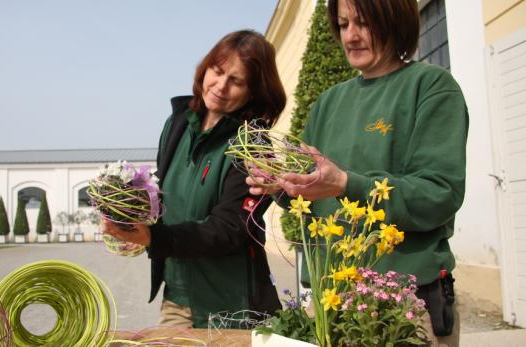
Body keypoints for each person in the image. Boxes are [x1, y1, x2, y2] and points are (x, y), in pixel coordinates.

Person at [247, 1, 468, 346]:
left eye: (363, 23)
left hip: (405, 309)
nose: (350, 36)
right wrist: (280, 185)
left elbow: (439, 194)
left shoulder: (430, 87)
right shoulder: (328, 103)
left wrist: (348, 184)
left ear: (395, 21)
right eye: (343, 24)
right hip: (331, 305)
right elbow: (313, 193)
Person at [102, 29, 287, 328]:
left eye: (236, 81)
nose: (221, 86)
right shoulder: (177, 123)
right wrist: (126, 218)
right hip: (177, 297)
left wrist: (156, 238)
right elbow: (162, 200)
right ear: (205, 68)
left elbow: (230, 229)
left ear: (252, 92)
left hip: (231, 306)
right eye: (218, 71)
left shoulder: (253, 145)